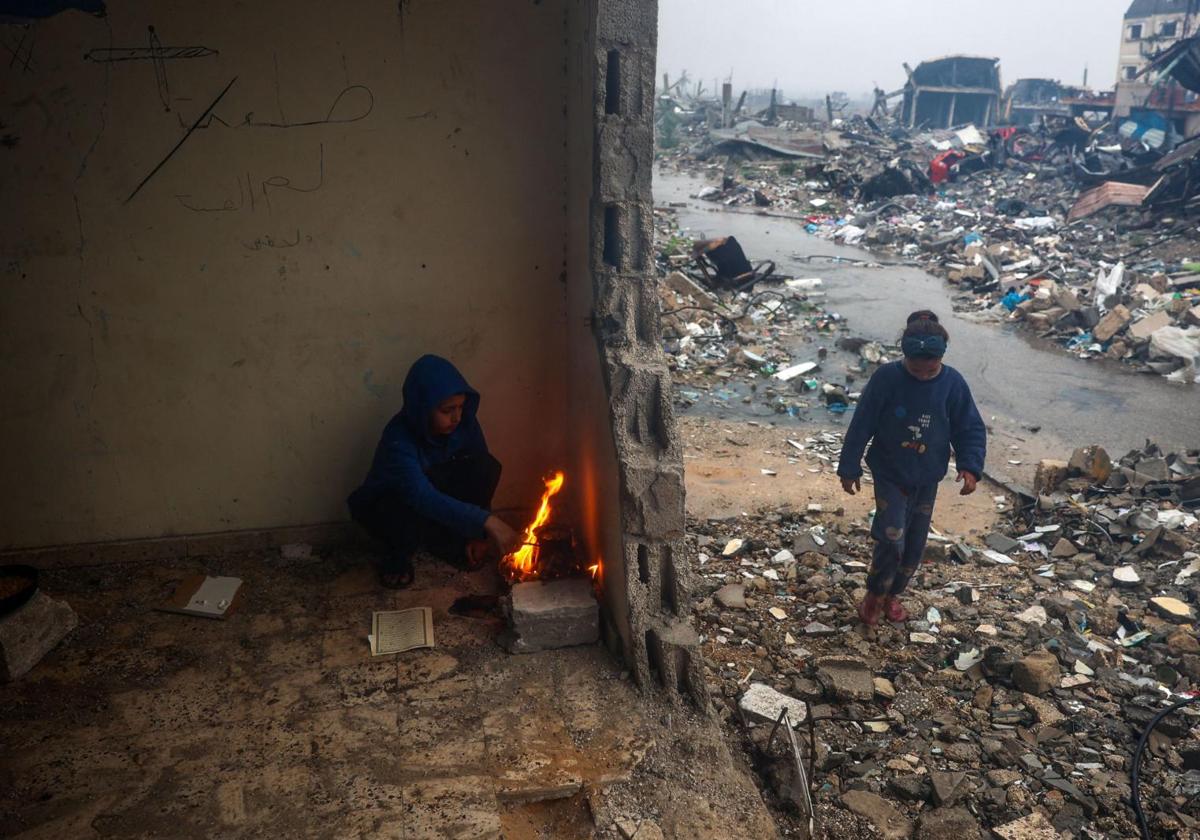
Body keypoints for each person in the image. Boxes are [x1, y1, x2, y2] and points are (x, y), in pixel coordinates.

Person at [836, 311, 986, 626]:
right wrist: (849, 466)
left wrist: (970, 466)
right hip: (890, 469)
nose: (921, 375)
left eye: (929, 370)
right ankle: (875, 593)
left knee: (915, 544)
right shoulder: (886, 378)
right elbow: (862, 422)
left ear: (941, 358)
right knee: (891, 538)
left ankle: (894, 594)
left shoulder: (953, 383)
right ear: (904, 356)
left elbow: (968, 427)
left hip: (928, 474)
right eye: (915, 369)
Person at [347, 354, 518, 588]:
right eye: (447, 410)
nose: (457, 417)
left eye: (460, 407)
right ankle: (397, 555)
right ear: (423, 408)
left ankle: (449, 540)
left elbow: (479, 474)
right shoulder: (398, 439)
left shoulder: (464, 423)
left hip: (432, 492)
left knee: (483, 466)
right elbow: (421, 496)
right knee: (399, 510)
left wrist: (478, 534)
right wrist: (489, 522)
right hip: (388, 504)